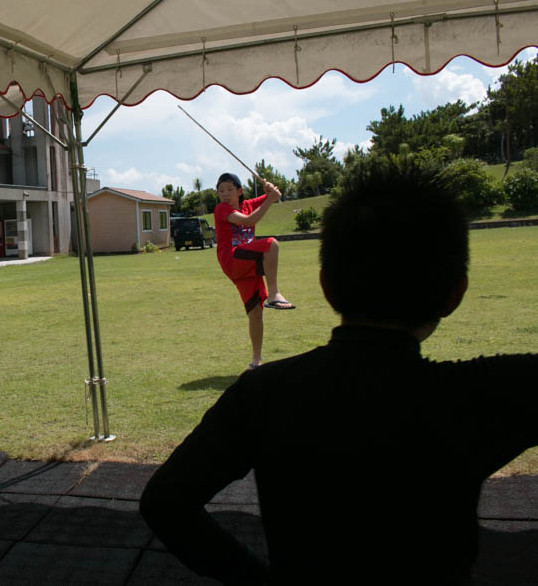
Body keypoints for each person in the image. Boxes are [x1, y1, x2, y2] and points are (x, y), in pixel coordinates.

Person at [140, 166, 538, 584]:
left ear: (327, 286)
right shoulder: (480, 395)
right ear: (455, 293)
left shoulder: (261, 395)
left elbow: (165, 502)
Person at [214, 172, 294, 370]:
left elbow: (275, 195)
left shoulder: (248, 203)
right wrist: (271, 199)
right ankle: (274, 293)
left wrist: (271, 191)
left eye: (229, 190)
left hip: (247, 266)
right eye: (221, 190)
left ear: (240, 191)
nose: (224, 194)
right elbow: (249, 221)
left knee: (256, 312)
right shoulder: (221, 209)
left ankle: (256, 362)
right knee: (271, 245)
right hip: (232, 259)